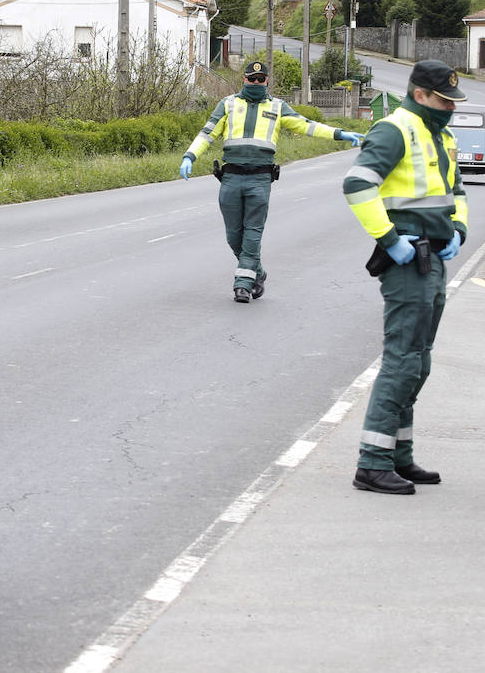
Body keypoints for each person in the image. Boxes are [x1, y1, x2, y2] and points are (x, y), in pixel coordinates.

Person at [343, 59, 469, 495]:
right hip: (408, 261)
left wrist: (459, 230)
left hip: (433, 258)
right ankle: (372, 462)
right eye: (445, 100)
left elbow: (456, 192)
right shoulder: (395, 129)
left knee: (419, 360)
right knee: (403, 359)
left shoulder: (441, 136)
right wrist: (390, 239)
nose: (451, 108)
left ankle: (399, 455)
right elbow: (357, 185)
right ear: (421, 95)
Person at [180, 58, 363, 303]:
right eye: (251, 79)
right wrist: (190, 156)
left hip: (260, 179)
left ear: (267, 81)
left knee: (252, 233)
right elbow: (207, 133)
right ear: (244, 79)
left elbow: (307, 126)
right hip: (231, 177)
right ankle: (257, 271)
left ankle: (243, 284)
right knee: (233, 236)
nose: (256, 82)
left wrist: (340, 134)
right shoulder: (228, 104)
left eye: (260, 79)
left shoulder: (277, 107)